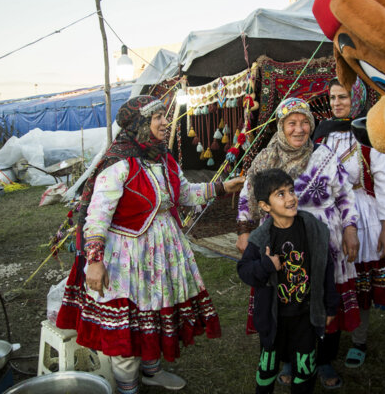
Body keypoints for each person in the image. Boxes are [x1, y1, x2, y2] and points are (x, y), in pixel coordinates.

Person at [56, 95, 244, 394]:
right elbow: (97, 216)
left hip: (163, 251)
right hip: (127, 254)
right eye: (158, 118)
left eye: (163, 117)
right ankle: (128, 386)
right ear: (141, 124)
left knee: (155, 310)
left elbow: (184, 195)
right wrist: (94, 260)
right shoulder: (118, 165)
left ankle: (152, 371)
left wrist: (221, 187)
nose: (165, 122)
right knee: (128, 322)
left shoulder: (162, 158)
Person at [236, 97, 359, 389]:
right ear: (281, 126)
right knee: (286, 302)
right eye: (292, 122)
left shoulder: (325, 156)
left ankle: (325, 359)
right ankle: (290, 359)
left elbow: (345, 194)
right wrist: (243, 230)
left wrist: (351, 228)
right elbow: (247, 194)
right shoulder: (266, 159)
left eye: (305, 122)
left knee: (324, 298)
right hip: (279, 241)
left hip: (321, 241)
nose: (299, 129)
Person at [313, 78, 385, 368]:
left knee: (360, 283)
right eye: (332, 97)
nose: (337, 103)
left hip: (363, 213)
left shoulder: (369, 132)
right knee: (333, 281)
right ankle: (330, 334)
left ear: (356, 97)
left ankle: (359, 339)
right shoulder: (323, 134)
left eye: (343, 96)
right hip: (330, 216)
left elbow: (384, 185)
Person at [237, 168, 339, 394]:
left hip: (305, 316)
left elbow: (326, 267)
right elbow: (243, 270)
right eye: (280, 194)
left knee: (304, 367)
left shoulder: (311, 229)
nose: (291, 198)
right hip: (274, 319)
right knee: (268, 366)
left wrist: (330, 305)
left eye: (291, 191)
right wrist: (266, 265)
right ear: (265, 206)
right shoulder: (260, 238)